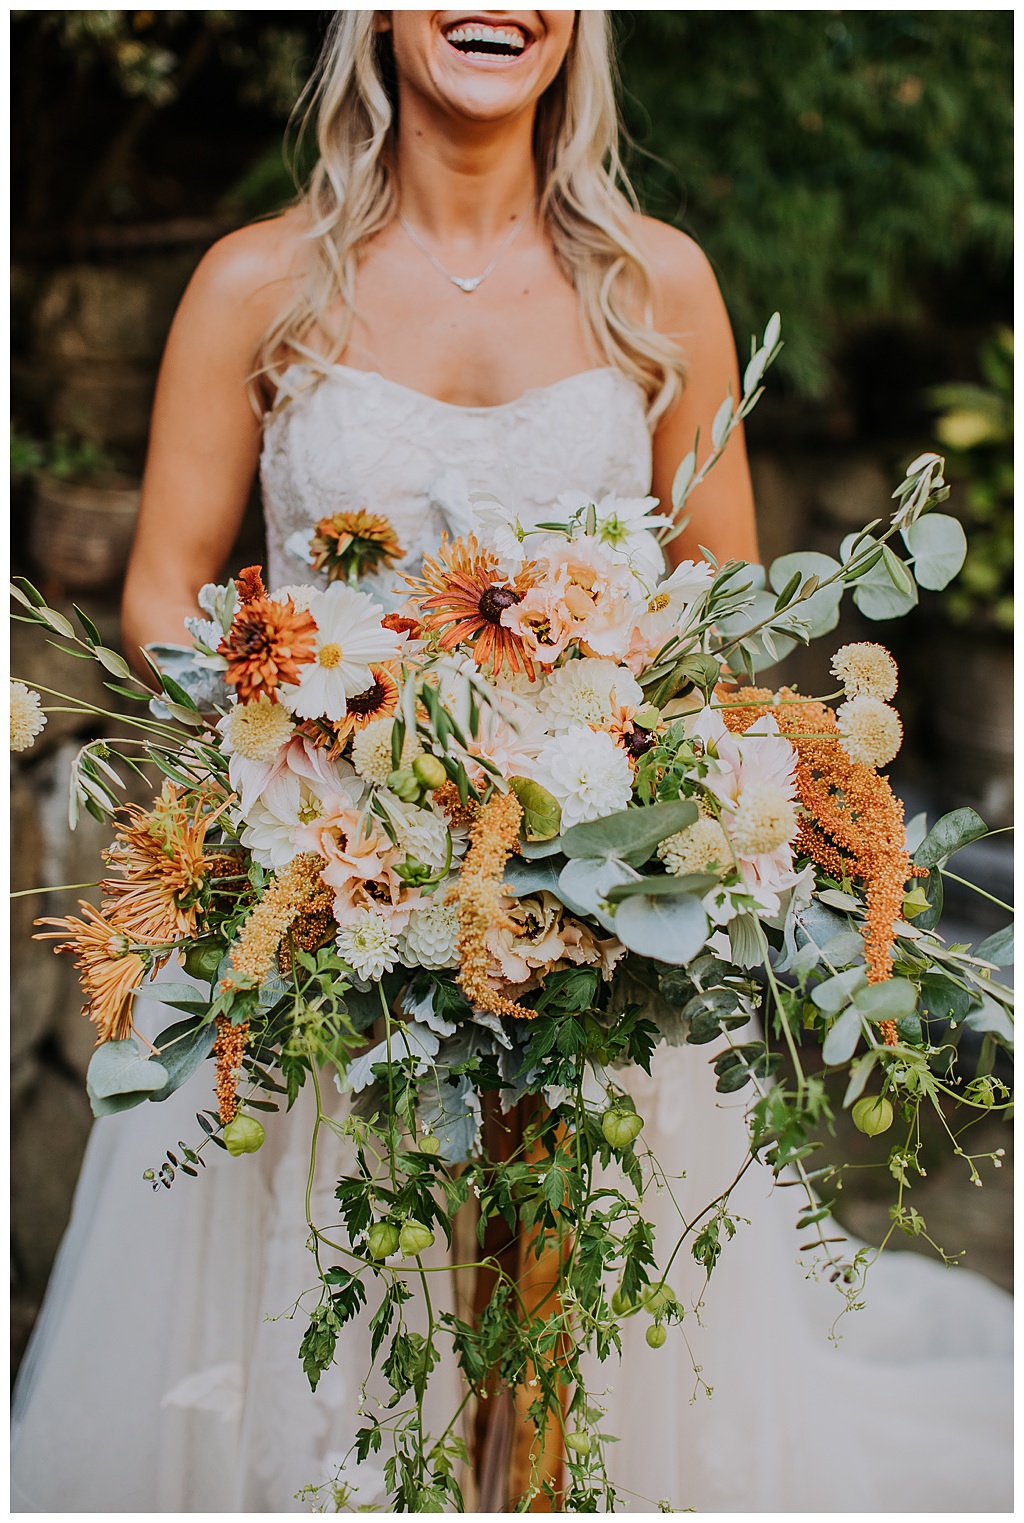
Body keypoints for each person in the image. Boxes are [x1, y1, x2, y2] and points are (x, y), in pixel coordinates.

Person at [11, 11, 1011, 1513]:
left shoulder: (654, 281)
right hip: (320, 899)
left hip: (598, 899)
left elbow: (721, 615)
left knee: (585, 1309)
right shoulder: (258, 283)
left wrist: (609, 769)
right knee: (335, 1294)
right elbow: (163, 597)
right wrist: (338, 756)